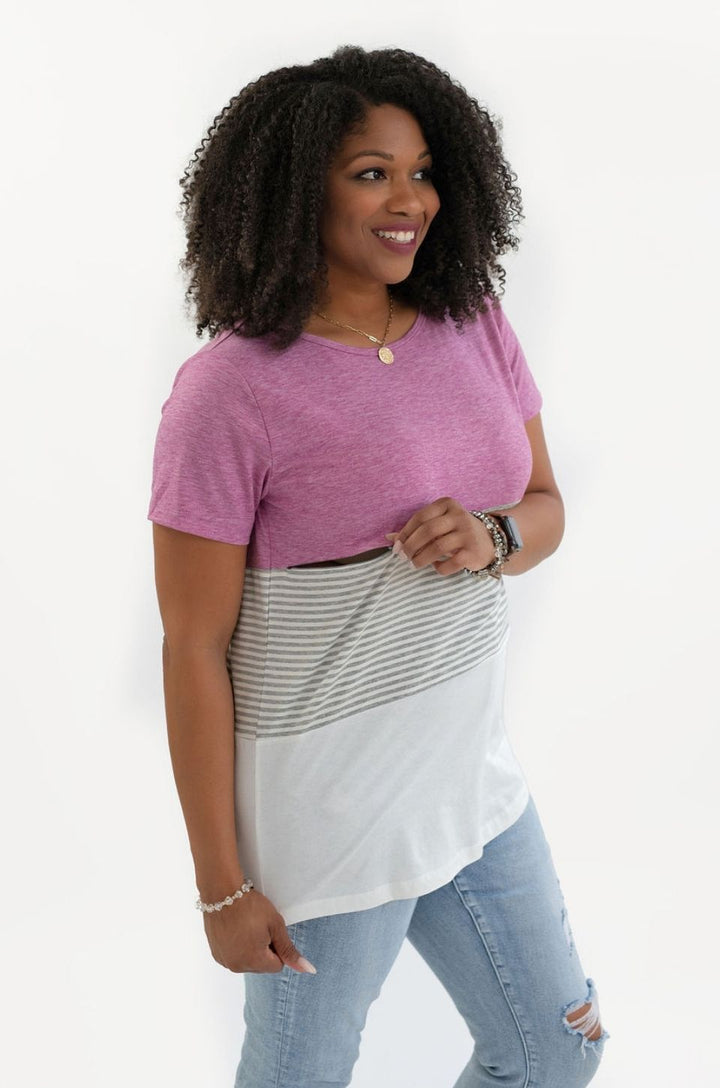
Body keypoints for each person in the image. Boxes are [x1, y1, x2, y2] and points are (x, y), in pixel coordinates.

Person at [147, 44, 610, 1088]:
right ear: (293, 189)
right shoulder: (230, 390)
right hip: (331, 821)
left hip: (472, 787)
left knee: (555, 1046)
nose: (410, 201)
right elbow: (192, 646)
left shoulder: (473, 323)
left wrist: (492, 538)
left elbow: (543, 508)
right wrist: (222, 885)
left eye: (423, 172)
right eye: (371, 173)